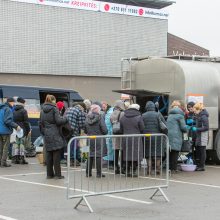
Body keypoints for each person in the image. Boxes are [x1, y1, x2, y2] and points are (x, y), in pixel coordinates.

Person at [40, 94, 68, 179]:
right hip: (55, 133)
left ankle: (49, 174)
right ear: (53, 100)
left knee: (49, 155)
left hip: (47, 133)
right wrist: (66, 118)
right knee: (56, 155)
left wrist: (44, 131)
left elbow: (40, 123)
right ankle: (57, 175)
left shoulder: (42, 110)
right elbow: (58, 121)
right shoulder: (54, 108)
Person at [142, 101, 166, 175]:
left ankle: (148, 170)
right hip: (158, 137)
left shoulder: (143, 115)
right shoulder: (158, 115)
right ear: (153, 107)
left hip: (147, 137)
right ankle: (158, 169)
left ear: (146, 107)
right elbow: (164, 124)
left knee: (148, 154)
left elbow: (141, 126)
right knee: (157, 154)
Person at [120, 104, 144, 177]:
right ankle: (134, 171)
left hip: (126, 138)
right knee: (135, 154)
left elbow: (121, 129)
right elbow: (142, 128)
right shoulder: (139, 117)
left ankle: (127, 171)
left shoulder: (123, 117)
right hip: (136, 138)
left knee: (126, 154)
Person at [84, 104, 108, 178]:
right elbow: (104, 130)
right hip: (98, 139)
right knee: (98, 156)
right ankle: (99, 173)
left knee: (89, 155)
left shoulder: (87, 118)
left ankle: (88, 173)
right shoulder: (100, 118)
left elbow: (85, 130)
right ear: (97, 110)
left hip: (89, 138)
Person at [167, 101, 188, 173]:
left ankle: (169, 168)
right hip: (176, 136)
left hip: (169, 135)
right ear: (179, 107)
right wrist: (187, 127)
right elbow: (183, 128)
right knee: (175, 152)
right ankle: (173, 169)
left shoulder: (170, 115)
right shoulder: (180, 115)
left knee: (170, 152)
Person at [0, 97, 20, 167]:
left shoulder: (1, 108)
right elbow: (7, 121)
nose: (14, 104)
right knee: (5, 147)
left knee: (0, 146)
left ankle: (0, 162)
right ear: (10, 102)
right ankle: (3, 162)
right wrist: (16, 126)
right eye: (13, 102)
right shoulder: (8, 109)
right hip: (5, 131)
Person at [13, 97, 30, 164]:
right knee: (22, 144)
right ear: (22, 103)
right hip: (22, 129)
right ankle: (22, 159)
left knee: (17, 144)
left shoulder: (14, 110)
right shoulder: (24, 111)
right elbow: (26, 122)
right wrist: (28, 130)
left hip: (16, 129)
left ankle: (16, 158)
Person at [110, 100, 125, 174]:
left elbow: (111, 123)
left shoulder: (112, 113)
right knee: (122, 151)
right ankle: (122, 167)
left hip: (114, 133)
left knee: (115, 151)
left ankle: (116, 167)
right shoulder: (122, 113)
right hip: (121, 134)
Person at [193, 103, 209, 171]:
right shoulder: (199, 115)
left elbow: (206, 127)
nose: (194, 112)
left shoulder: (204, 116)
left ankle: (202, 166)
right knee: (199, 150)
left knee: (202, 151)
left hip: (203, 136)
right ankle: (199, 165)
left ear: (199, 109)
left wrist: (197, 129)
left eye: (195, 110)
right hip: (199, 135)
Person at [102, 101, 114, 167]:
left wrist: (106, 133)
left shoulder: (109, 113)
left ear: (107, 105)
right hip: (112, 133)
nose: (103, 108)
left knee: (110, 149)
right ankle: (112, 162)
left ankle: (110, 163)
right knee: (112, 149)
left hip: (109, 134)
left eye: (104, 107)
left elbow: (107, 125)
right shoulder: (110, 111)